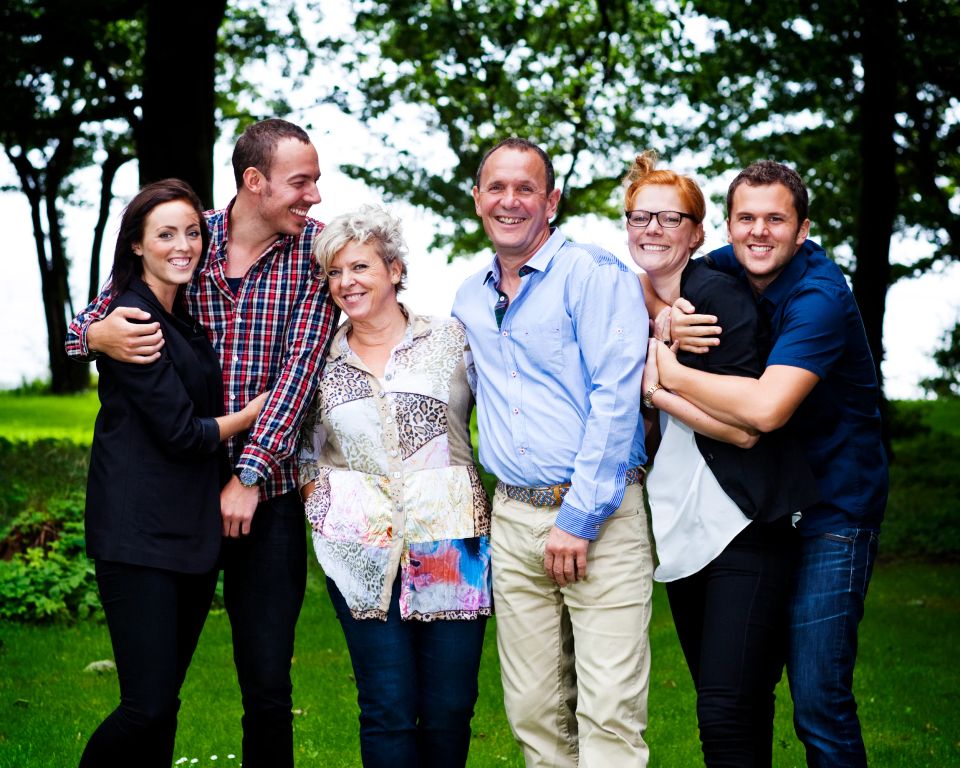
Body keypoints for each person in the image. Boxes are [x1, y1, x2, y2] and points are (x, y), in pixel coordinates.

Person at [66, 119, 338, 768]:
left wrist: (247, 477)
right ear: (254, 182)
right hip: (178, 498)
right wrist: (95, 338)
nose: (315, 197)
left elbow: (300, 374)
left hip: (262, 497)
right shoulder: (188, 236)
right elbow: (95, 316)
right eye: (302, 183)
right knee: (157, 693)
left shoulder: (318, 252)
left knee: (268, 688)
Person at [654, 160, 888, 767]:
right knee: (741, 691)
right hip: (769, 504)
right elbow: (672, 280)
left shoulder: (820, 297)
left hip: (834, 507)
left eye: (776, 220)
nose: (760, 232)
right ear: (728, 227)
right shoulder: (727, 267)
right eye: (747, 219)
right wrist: (667, 315)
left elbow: (765, 410)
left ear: (803, 228)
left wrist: (669, 376)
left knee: (818, 699)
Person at [453, 137, 653, 767]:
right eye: (497, 188)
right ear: (478, 199)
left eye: (526, 188)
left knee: (609, 712)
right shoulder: (469, 297)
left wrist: (579, 516)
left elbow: (616, 400)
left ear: (551, 201)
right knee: (534, 714)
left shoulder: (593, 275)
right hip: (513, 520)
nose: (510, 201)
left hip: (600, 512)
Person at [626, 152, 818, 766]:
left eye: (670, 218)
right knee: (736, 707)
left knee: (726, 712)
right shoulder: (647, 299)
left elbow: (747, 430)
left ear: (697, 233)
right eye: (640, 217)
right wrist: (657, 319)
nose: (653, 229)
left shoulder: (716, 300)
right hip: (687, 529)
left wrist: (662, 386)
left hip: (744, 523)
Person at [80, 179, 267, 767]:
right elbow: (184, 433)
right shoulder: (135, 319)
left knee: (162, 704)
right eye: (165, 234)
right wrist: (252, 414)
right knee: (146, 707)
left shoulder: (177, 314)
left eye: (192, 232)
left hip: (184, 537)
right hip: (139, 538)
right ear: (136, 244)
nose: (183, 245)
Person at [297, 205, 492, 767]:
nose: (346, 283)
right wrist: (320, 502)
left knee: (451, 706)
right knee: (386, 706)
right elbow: (303, 443)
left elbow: (508, 409)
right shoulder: (320, 360)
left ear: (395, 270)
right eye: (334, 273)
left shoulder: (452, 341)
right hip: (358, 549)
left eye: (359, 268)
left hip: (452, 542)